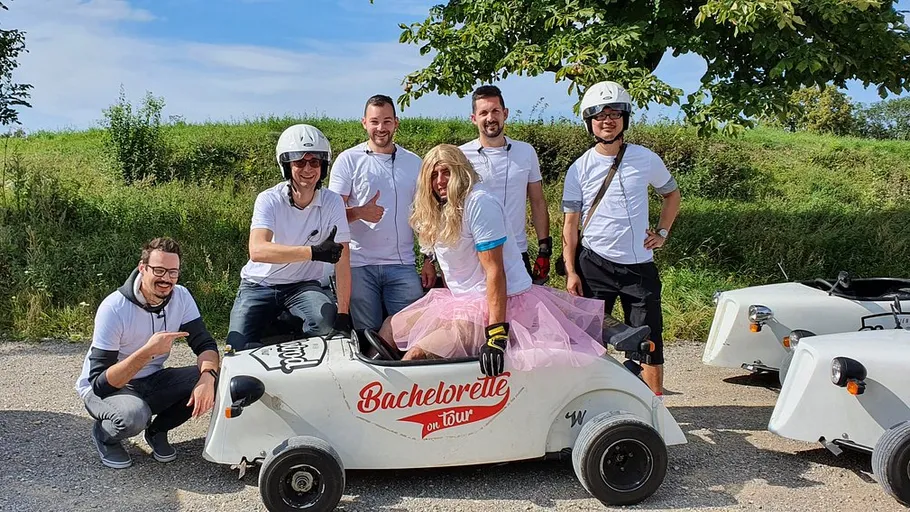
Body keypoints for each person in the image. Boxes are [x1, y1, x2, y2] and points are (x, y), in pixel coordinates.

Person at [378, 144, 612, 376]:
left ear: (460, 172)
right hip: (459, 302)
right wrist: (429, 261)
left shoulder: (479, 202)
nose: (440, 181)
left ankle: (394, 397)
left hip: (495, 304)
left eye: (446, 172)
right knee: (390, 327)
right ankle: (367, 390)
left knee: (417, 355)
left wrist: (496, 334)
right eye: (433, 174)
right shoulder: (438, 207)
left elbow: (495, 271)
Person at [561, 80, 682, 396]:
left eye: (614, 114)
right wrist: (571, 271)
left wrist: (662, 232)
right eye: (600, 115)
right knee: (588, 342)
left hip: (638, 266)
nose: (607, 121)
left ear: (624, 118)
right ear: (590, 122)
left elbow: (671, 194)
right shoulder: (579, 169)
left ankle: (654, 408)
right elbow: (570, 226)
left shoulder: (645, 158)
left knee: (649, 342)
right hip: (594, 265)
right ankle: (591, 401)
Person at [74, 237, 220, 469]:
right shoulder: (114, 308)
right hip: (107, 388)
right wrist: (148, 352)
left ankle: (158, 430)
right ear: (142, 268)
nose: (166, 279)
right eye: (159, 270)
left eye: (173, 272)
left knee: (218, 379)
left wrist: (207, 378)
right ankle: (105, 436)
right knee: (134, 416)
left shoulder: (181, 296)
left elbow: (205, 344)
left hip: (151, 380)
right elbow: (100, 383)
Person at [226, 124, 353, 351]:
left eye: (315, 162)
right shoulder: (269, 199)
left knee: (326, 326)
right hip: (259, 284)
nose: (308, 169)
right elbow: (257, 250)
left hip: (302, 286)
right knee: (236, 348)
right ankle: (276, 327)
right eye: (299, 162)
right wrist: (313, 253)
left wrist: (343, 314)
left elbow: (343, 260)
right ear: (286, 165)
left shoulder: (333, 202)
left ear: (323, 166)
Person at [328, 95, 435, 331]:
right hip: (358, 265)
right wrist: (359, 212)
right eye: (374, 121)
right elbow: (330, 216)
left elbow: (426, 215)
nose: (381, 128)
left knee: (409, 332)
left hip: (402, 264)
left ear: (396, 122)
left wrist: (429, 258)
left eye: (387, 121)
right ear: (364, 123)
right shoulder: (348, 160)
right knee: (367, 333)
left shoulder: (414, 163)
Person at [459, 85, 552, 285]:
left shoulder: (526, 151)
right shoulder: (461, 156)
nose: (490, 118)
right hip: (476, 254)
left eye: (495, 111)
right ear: (473, 118)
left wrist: (544, 248)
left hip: (517, 252)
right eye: (483, 113)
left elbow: (537, 201)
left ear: (505, 113)